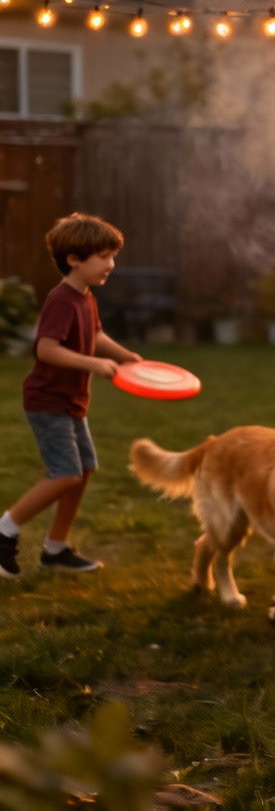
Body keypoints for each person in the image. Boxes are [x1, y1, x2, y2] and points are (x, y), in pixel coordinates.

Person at [0, 213, 141, 579]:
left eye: (113, 256)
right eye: (104, 256)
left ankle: (56, 548)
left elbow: (94, 335)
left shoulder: (85, 298)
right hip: (48, 401)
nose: (111, 264)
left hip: (71, 401)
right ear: (75, 259)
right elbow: (46, 349)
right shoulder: (61, 300)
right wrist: (92, 364)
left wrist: (123, 355)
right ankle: (5, 529)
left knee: (84, 469)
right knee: (66, 472)